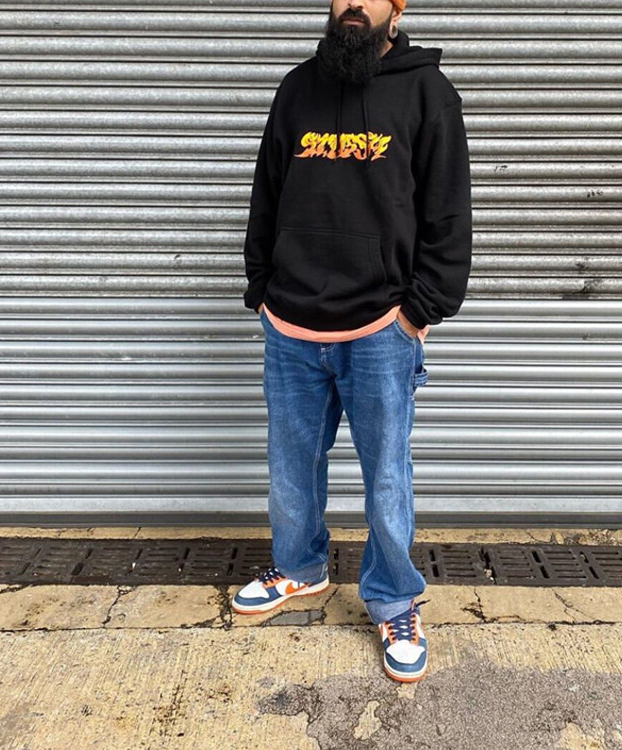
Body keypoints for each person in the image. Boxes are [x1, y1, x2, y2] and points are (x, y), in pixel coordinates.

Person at [232, 0, 472, 684]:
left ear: (398, 7)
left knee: (387, 477)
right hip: (292, 324)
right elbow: (267, 192)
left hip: (379, 329)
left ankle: (394, 599)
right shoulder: (297, 89)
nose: (353, 6)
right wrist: (262, 288)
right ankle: (300, 568)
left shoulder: (428, 94)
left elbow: (448, 215)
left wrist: (418, 312)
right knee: (291, 467)